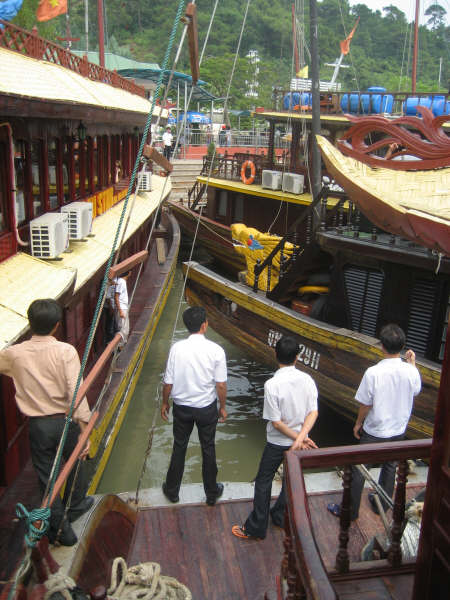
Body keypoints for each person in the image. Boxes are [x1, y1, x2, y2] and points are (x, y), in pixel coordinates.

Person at [0, 299, 93, 546]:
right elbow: (76, 390)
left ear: (30, 324)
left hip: (39, 426)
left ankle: (61, 529)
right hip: (66, 421)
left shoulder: (14, 354)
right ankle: (76, 506)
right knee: (76, 465)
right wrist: (85, 428)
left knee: (47, 478)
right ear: (56, 326)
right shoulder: (65, 351)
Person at [327, 323, 421, 520]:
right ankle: (382, 505)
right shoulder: (411, 371)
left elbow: (365, 404)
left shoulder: (373, 372)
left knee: (359, 469)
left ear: (382, 346)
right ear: (402, 346)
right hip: (398, 429)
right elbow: (416, 390)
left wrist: (358, 423)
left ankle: (349, 511)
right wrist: (412, 364)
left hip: (375, 429)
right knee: (390, 466)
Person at [232, 336, 318, 540]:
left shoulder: (272, 384)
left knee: (264, 481)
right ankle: (279, 515)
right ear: (298, 357)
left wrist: (298, 438)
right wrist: (301, 438)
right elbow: (313, 412)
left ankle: (256, 527)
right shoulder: (307, 379)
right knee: (291, 479)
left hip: (277, 442)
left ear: (275, 355)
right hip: (298, 443)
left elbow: (277, 423)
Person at [161, 306, 227, 506]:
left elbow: (168, 383)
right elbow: (221, 385)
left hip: (182, 408)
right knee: (208, 448)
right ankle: (211, 493)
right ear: (204, 325)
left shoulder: (176, 348)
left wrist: (165, 402)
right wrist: (222, 407)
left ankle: (172, 491)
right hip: (206, 407)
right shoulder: (216, 350)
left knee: (179, 447)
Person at [110, 270, 130, 347]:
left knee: (124, 328)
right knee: (123, 329)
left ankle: (120, 345)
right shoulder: (121, 282)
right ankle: (117, 345)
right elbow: (116, 297)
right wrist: (120, 311)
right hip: (122, 308)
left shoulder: (119, 281)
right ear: (129, 273)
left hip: (122, 307)